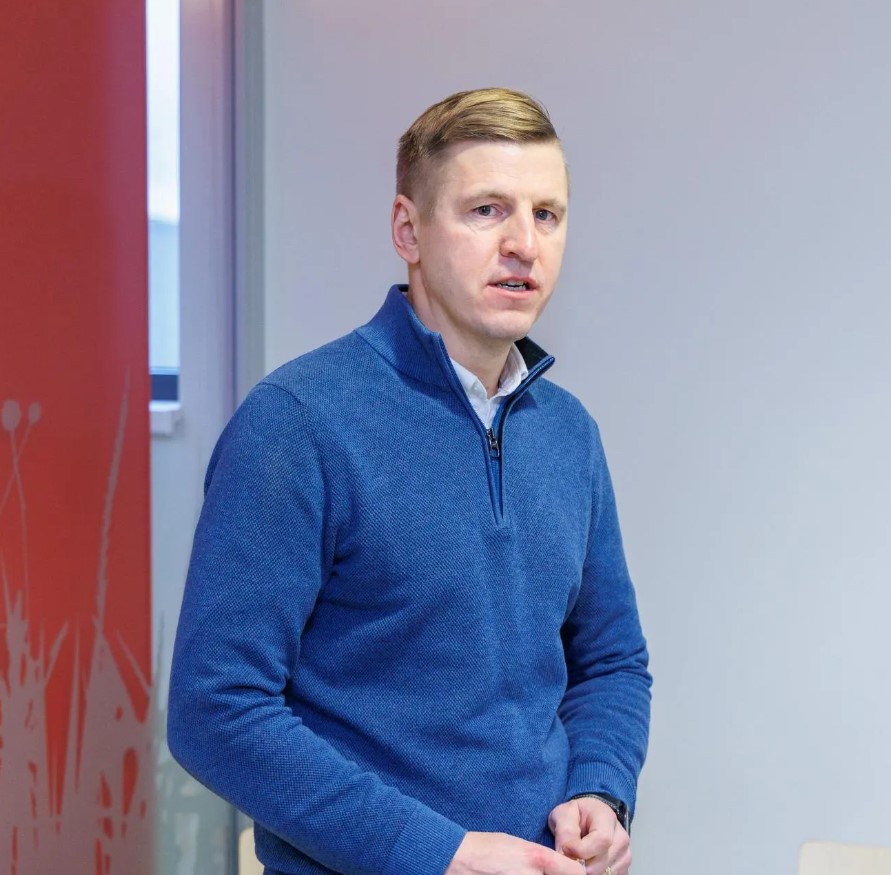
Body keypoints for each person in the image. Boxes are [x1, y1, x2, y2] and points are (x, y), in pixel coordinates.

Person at [167, 87, 653, 875]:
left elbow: (611, 662)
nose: (524, 244)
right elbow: (214, 709)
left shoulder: (570, 435)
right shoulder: (298, 421)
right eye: (487, 210)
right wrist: (439, 853)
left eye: (547, 214)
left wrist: (601, 786)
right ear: (408, 229)